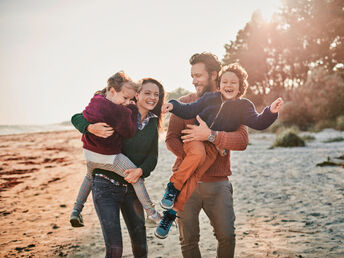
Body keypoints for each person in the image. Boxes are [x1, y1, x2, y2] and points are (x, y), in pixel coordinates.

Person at [156, 63, 283, 238]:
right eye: (225, 82)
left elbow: (259, 122)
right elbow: (189, 110)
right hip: (195, 140)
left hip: (213, 149)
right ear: (219, 83)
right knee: (197, 156)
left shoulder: (244, 107)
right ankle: (173, 186)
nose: (228, 86)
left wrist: (271, 112)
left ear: (241, 86)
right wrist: (173, 105)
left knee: (195, 176)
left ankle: (172, 212)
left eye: (233, 82)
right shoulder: (209, 98)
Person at [161, 52, 249, 258]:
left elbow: (242, 140)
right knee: (188, 241)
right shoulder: (184, 103)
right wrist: (194, 158)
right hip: (185, 185)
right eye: (192, 76)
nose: (194, 81)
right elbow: (171, 139)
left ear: (213, 75)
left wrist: (211, 136)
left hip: (218, 184)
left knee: (227, 236)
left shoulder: (234, 104)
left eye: (198, 76)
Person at [71, 77, 165, 257]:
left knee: (141, 248)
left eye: (156, 94)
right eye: (147, 93)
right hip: (105, 186)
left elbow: (152, 157)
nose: (152, 97)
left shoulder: (153, 122)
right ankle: (77, 210)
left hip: (132, 188)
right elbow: (77, 117)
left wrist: (141, 171)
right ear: (136, 95)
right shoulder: (118, 110)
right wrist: (89, 128)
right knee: (115, 250)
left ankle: (151, 213)